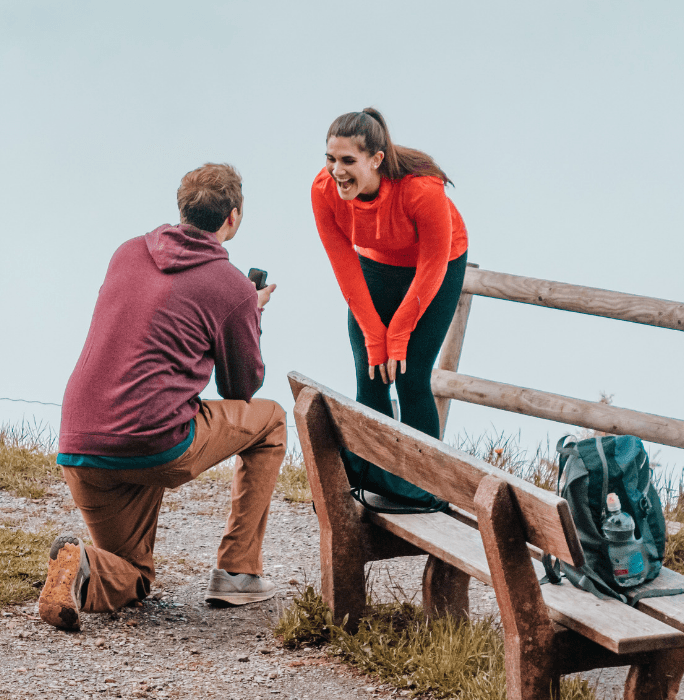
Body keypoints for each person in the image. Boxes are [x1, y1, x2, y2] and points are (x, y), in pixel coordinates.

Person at [38, 162, 286, 631]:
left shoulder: (126, 252)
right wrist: (249, 313)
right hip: (154, 442)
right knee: (271, 420)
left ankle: (80, 566)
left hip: (80, 443)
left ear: (182, 208)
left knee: (133, 577)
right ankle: (237, 573)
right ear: (232, 217)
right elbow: (241, 389)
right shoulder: (231, 286)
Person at [311, 108, 469, 509]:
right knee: (371, 371)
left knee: (411, 376)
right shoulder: (323, 190)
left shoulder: (421, 189)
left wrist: (397, 335)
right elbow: (345, 267)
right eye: (331, 159)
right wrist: (375, 336)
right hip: (376, 264)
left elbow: (433, 266)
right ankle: (379, 478)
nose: (337, 171)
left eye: (348, 161)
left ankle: (427, 489)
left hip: (436, 266)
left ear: (376, 159)